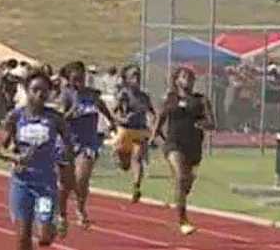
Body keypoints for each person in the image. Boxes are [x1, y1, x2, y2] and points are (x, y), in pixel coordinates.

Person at [0, 72, 72, 250]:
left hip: (46, 185)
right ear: (27, 91)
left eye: (44, 91)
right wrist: (16, 158)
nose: (40, 95)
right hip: (21, 182)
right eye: (35, 90)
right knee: (22, 235)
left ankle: (55, 222)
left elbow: (68, 144)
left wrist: (64, 155)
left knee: (44, 237)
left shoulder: (55, 118)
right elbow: (0, 149)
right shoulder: (16, 116)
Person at [57, 60, 118, 233]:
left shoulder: (92, 94)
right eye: (75, 79)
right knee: (65, 185)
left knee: (82, 179)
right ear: (69, 80)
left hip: (88, 143)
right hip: (68, 144)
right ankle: (62, 214)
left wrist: (112, 121)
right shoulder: (66, 95)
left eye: (81, 78)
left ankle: (80, 208)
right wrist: (72, 111)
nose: (79, 82)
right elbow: (60, 118)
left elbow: (102, 107)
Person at [152, 66, 214, 235]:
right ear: (177, 79)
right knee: (180, 177)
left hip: (193, 146)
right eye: (184, 76)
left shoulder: (201, 100)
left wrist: (202, 124)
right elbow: (160, 118)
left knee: (186, 182)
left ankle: (181, 198)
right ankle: (183, 220)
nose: (188, 79)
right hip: (174, 144)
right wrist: (155, 135)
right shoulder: (170, 99)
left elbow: (212, 123)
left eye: (191, 77)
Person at [110, 65, 157, 203]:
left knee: (137, 157)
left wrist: (153, 121)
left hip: (140, 129)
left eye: (138, 75)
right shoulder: (124, 94)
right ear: (127, 79)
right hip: (125, 130)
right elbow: (113, 111)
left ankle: (136, 186)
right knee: (125, 165)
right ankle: (120, 158)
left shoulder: (144, 96)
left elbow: (152, 112)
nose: (137, 78)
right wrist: (119, 119)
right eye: (133, 76)